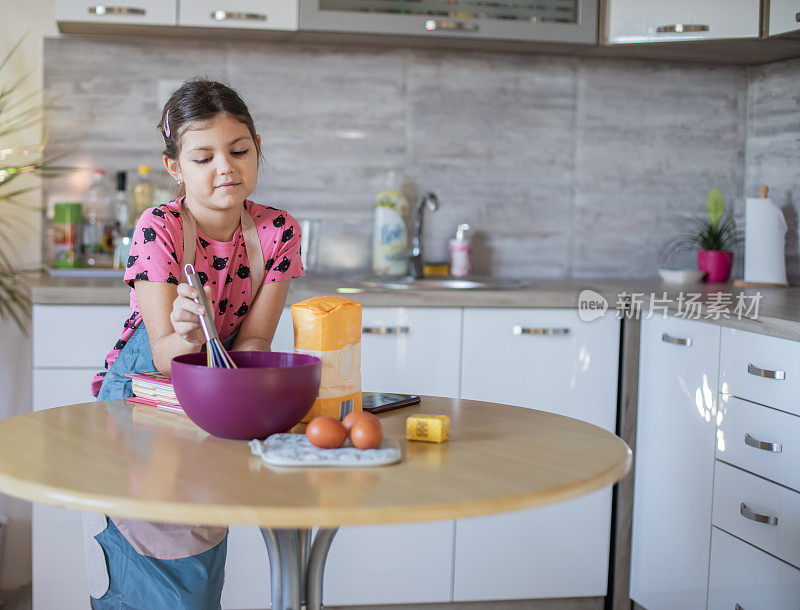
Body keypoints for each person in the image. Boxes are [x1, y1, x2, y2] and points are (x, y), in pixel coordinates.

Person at [86, 78, 304, 609]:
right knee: (162, 550)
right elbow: (162, 351)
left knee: (201, 546)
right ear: (175, 167)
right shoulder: (157, 227)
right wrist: (186, 331)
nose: (225, 168)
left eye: (238, 150)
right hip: (145, 397)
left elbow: (253, 339)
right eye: (203, 157)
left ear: (258, 150)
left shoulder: (279, 232)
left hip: (218, 392)